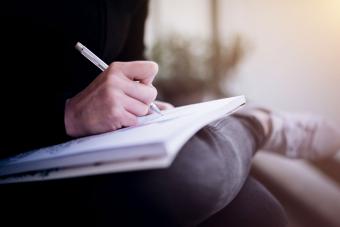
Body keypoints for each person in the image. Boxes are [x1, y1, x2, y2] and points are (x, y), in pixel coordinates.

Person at [0, 0, 339, 226]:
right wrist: (69, 113)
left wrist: (143, 100)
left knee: (260, 213)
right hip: (26, 155)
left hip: (96, 144)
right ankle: (259, 125)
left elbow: (130, 60)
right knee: (192, 178)